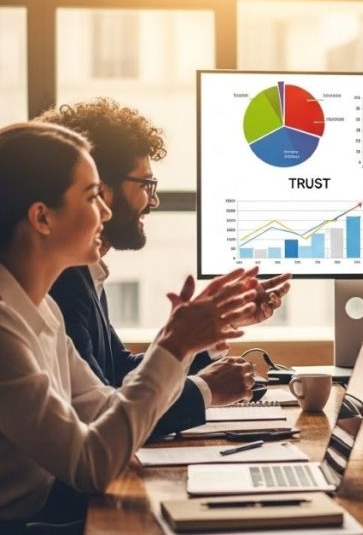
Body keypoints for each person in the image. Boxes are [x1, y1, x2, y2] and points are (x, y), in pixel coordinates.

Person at [0, 122, 258, 527]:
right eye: (91, 197)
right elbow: (91, 464)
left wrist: (186, 343)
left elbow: (105, 407)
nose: (104, 210)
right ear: (42, 218)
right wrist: (174, 345)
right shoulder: (4, 328)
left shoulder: (43, 309)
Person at [36, 98, 292, 436]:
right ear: (102, 191)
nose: (154, 200)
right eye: (145, 184)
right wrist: (204, 390)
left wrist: (206, 331)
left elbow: (118, 374)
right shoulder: (59, 283)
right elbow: (105, 416)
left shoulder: (82, 275)